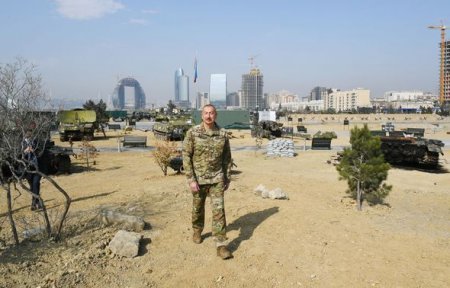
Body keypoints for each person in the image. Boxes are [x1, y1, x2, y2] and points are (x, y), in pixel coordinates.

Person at [182, 104, 233, 260]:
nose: (209, 116)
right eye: (206, 113)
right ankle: (197, 229)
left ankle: (221, 244)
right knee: (198, 208)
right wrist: (191, 179)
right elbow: (186, 155)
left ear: (215, 115)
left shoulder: (223, 134)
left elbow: (227, 158)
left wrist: (227, 176)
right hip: (198, 179)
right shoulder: (193, 133)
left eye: (211, 113)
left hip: (217, 178)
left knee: (219, 211)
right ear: (201, 115)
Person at [22, 129, 42, 211]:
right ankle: (38, 202)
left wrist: (34, 151)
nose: (29, 135)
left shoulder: (36, 142)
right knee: (32, 186)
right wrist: (25, 151)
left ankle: (34, 204)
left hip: (36, 167)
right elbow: (19, 155)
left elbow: (41, 152)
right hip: (27, 168)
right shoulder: (22, 143)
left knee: (36, 183)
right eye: (27, 134)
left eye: (30, 134)